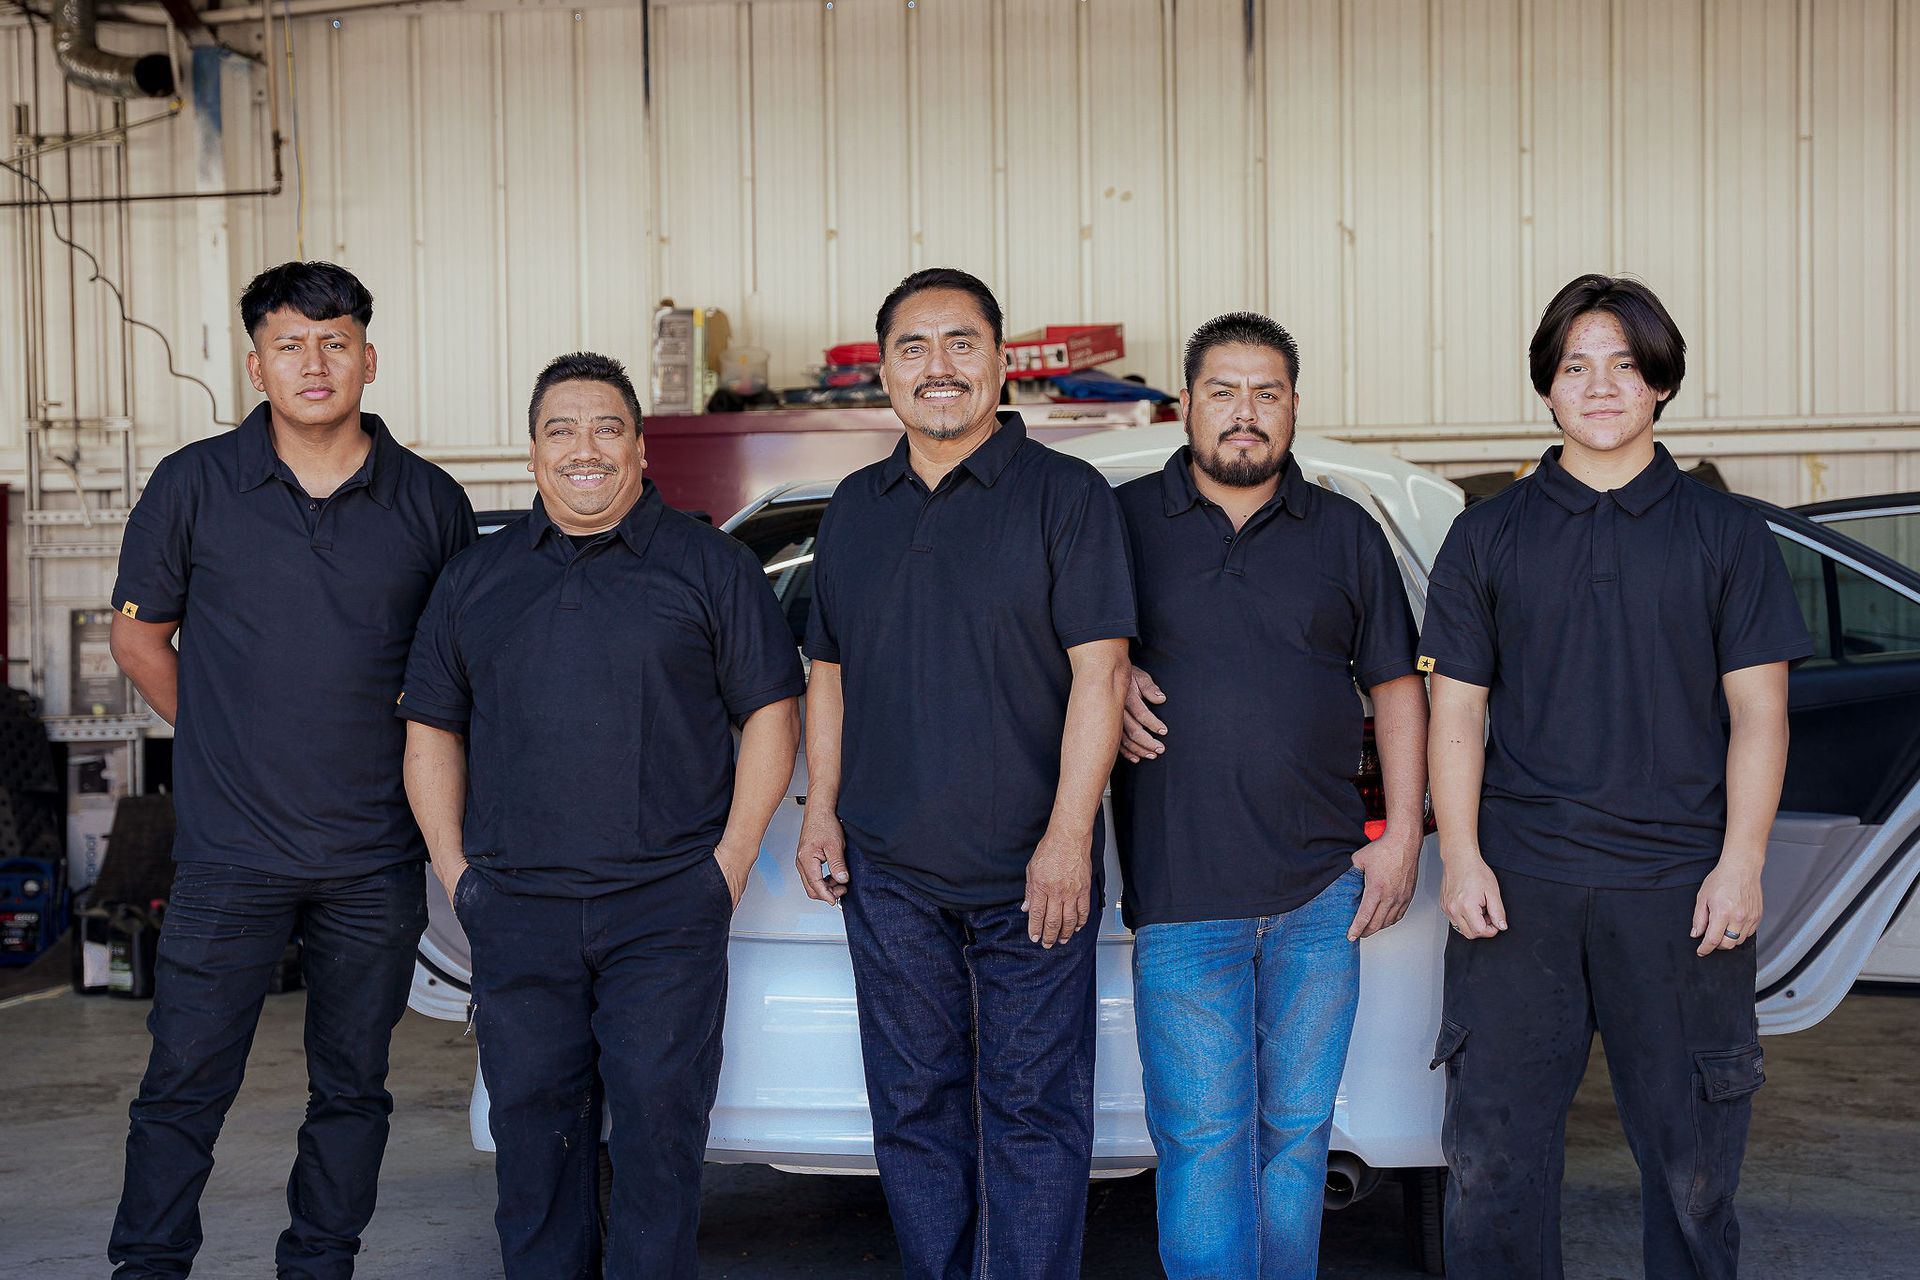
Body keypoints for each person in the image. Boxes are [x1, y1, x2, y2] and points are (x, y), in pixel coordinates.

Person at [1420, 274, 1812, 1280]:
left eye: (1625, 367)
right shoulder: (1488, 533)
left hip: (1682, 888)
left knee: (1692, 1169)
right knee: (1494, 1164)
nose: (1600, 387)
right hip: (1520, 888)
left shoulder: (1727, 534)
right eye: (1575, 367)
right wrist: (1460, 856)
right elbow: (1456, 707)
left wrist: (1744, 861)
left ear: (1661, 386)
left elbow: (1760, 710)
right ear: (1548, 389)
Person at [107, 261, 476, 1279]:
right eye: (290, 343)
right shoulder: (194, 483)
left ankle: (320, 1263)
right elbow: (141, 641)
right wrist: (226, 734)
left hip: (373, 858)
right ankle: (147, 1267)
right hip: (233, 853)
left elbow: (452, 678)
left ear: (368, 354)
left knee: (352, 1085)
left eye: (334, 341)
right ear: (257, 359)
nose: (313, 363)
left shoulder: (431, 501)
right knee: (183, 1079)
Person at [399, 351, 803, 1279]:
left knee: (662, 1138)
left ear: (639, 444)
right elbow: (430, 734)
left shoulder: (710, 565)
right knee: (533, 1144)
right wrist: (460, 877)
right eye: (561, 429)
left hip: (665, 910)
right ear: (533, 451)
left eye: (607, 427)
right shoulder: (474, 580)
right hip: (518, 909)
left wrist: (727, 868)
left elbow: (772, 714)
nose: (586, 449)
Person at [793, 267, 1135, 1279]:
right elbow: (829, 673)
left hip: (1033, 869)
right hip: (891, 872)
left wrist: (1070, 837)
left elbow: (1102, 672)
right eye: (913, 345)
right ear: (885, 371)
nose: (937, 367)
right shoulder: (855, 508)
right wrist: (822, 813)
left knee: (1034, 1110)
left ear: (1000, 358)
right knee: (912, 1104)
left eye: (960, 342)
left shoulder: (1066, 496)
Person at [1111, 312, 1427, 1279]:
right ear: (1185, 407)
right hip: (1183, 895)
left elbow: (1398, 689)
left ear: (1293, 408)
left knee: (1295, 1137)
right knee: (1206, 1139)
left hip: (1321, 893)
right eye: (1224, 393)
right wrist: (1108, 675)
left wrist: (1405, 832)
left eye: (1267, 394)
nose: (1245, 415)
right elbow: (1051, 647)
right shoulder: (1118, 522)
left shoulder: (1345, 532)